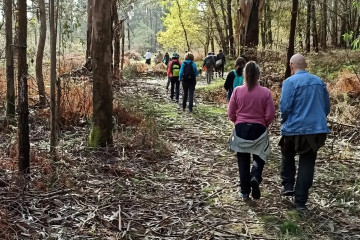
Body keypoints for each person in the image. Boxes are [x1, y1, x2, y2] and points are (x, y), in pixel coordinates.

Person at [279, 54, 330, 210]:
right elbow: (326, 107)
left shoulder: (289, 82)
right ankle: (300, 201)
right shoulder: (319, 82)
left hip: (293, 128)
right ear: (305, 65)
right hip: (315, 130)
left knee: (287, 153)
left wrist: (284, 120)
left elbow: (285, 107)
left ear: (291, 66)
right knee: (307, 162)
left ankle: (288, 184)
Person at [228, 61, 275, 201]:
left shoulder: (237, 91)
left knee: (242, 160)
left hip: (241, 128)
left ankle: (244, 192)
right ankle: (255, 175)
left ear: (244, 74)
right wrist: (264, 124)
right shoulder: (266, 92)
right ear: (258, 75)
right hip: (259, 128)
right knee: (260, 154)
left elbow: (231, 113)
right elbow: (270, 114)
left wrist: (237, 121)